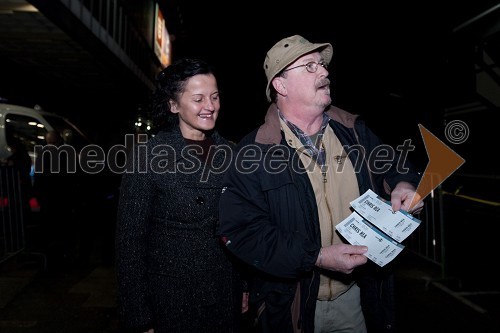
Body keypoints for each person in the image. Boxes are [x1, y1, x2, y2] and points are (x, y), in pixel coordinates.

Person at [217, 35, 424, 333]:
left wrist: (403, 184)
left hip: (355, 300)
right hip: (291, 307)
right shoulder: (254, 151)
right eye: (310, 66)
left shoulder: (354, 131)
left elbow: (395, 167)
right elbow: (241, 231)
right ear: (281, 85)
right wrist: (315, 256)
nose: (325, 72)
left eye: (323, 65)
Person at [115, 57, 242, 333]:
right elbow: (129, 245)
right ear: (174, 105)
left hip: (224, 297)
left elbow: (240, 230)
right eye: (198, 99)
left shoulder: (231, 154)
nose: (210, 106)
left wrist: (244, 287)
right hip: (171, 303)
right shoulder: (148, 156)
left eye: (215, 96)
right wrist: (138, 317)